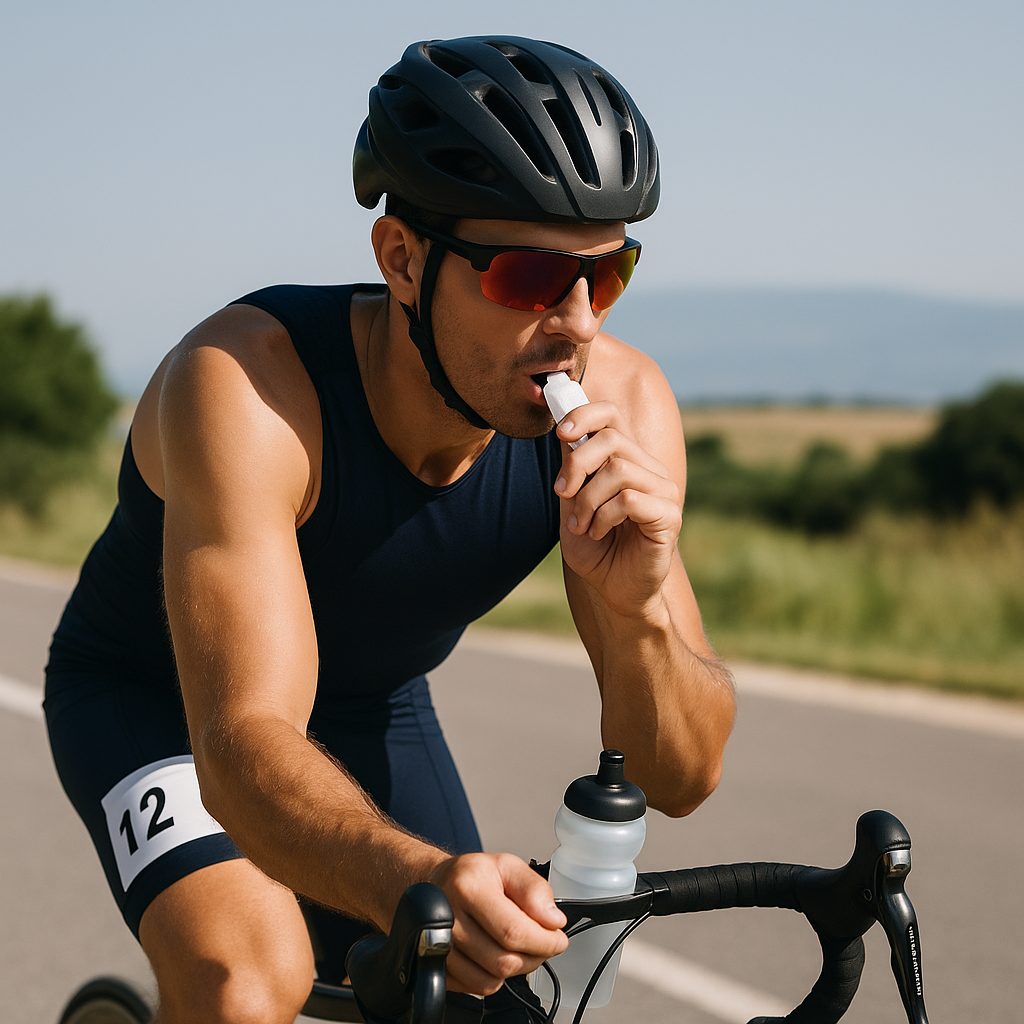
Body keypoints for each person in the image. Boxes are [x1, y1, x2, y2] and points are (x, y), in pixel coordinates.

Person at [45, 35, 735, 1024]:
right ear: (402, 259)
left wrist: (636, 616)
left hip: (367, 703)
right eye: (529, 279)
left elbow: (681, 777)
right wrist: (417, 877)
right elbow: (242, 742)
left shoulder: (624, 405)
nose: (578, 321)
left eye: (607, 272)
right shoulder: (248, 386)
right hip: (158, 705)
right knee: (249, 982)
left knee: (484, 1004)